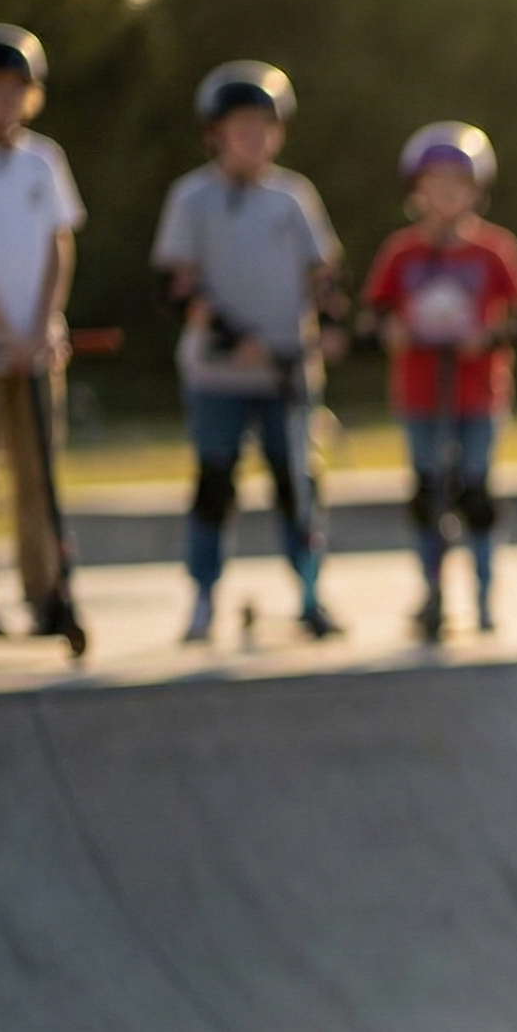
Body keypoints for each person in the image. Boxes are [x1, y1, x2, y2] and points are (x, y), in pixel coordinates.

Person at [153, 61, 347, 643]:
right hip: (219, 373)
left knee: (299, 486)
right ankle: (204, 596)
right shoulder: (192, 198)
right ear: (215, 132)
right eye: (241, 126)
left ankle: (311, 592)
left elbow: (325, 273)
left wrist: (332, 323)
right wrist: (236, 338)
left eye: (264, 126)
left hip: (287, 373)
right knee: (216, 484)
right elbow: (177, 286)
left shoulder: (292, 197)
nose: (254, 138)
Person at [361, 122, 517, 642]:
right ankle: (432, 591)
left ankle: (484, 594)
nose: (444, 194)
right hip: (420, 393)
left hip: (477, 392)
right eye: (434, 183)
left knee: (475, 492)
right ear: (416, 191)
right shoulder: (402, 252)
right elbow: (371, 316)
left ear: (475, 191)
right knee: (427, 493)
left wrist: (488, 336)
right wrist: (391, 328)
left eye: (456, 184)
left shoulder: (494, 251)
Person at [0, 24, 81, 648]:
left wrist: (39, 327)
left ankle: (46, 592)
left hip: (36, 347)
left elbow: (59, 244)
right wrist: (5, 332)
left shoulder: (45, 158)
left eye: (17, 86)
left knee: (39, 475)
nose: (6, 97)